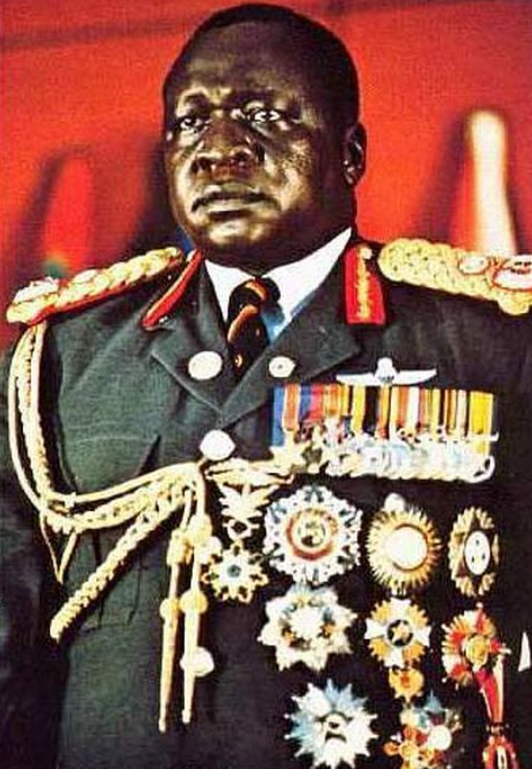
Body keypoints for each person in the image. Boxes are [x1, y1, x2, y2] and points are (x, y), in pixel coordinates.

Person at [1, 4, 531, 769]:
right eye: (190, 121)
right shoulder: (59, 359)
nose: (219, 150)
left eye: (266, 116)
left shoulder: (488, 342)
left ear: (350, 153)